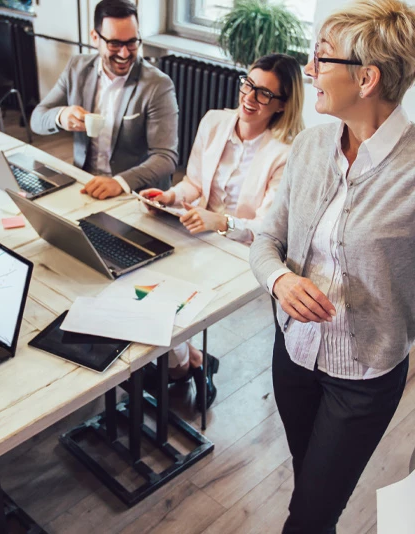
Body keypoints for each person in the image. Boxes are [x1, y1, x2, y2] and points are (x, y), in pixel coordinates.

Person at [249, 1, 415, 531]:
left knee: (308, 515)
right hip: (292, 355)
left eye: (321, 58)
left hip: (363, 377)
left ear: (367, 78)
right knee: (313, 491)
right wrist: (280, 279)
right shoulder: (310, 144)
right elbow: (264, 238)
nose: (309, 71)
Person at [142, 54, 304, 409]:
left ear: (281, 104)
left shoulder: (287, 151)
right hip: (196, 233)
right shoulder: (215, 121)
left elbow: (269, 227)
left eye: (263, 94)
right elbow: (195, 182)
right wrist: (170, 196)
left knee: (168, 298)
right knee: (144, 283)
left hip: (241, 251)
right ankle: (190, 363)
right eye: (248, 84)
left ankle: (180, 366)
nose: (249, 97)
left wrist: (222, 222)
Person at [29, 0, 178, 200]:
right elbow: (37, 119)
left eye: (132, 42)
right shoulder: (77, 68)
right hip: (85, 183)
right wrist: (61, 116)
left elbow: (166, 157)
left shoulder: (157, 85)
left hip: (134, 192)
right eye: (115, 43)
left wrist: (120, 182)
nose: (124, 54)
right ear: (94, 37)